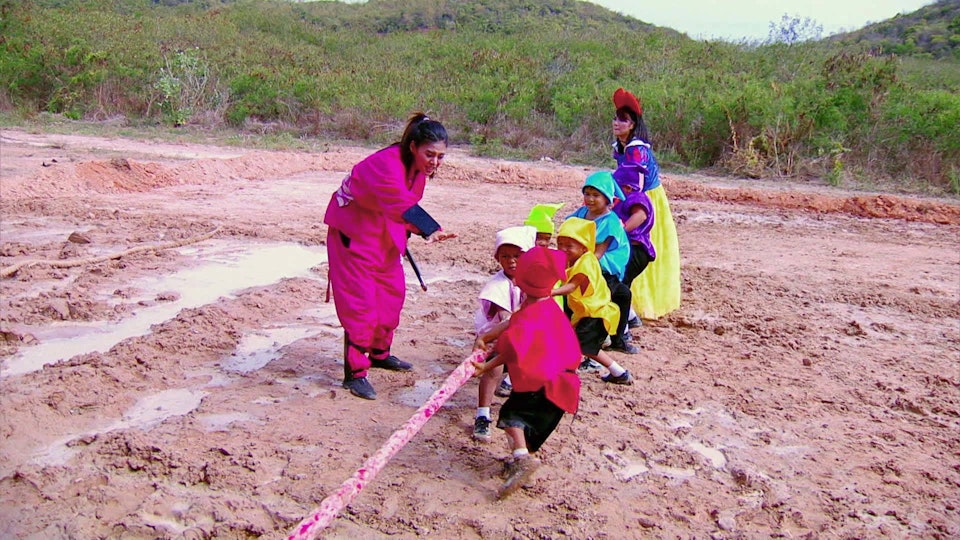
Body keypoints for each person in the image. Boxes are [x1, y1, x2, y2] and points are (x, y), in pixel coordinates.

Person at [323, 112, 449, 400]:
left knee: (392, 298)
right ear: (413, 146)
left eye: (440, 157)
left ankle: (379, 353)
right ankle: (355, 374)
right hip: (353, 237)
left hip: (383, 235)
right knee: (361, 306)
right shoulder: (386, 164)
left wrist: (416, 231)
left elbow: (400, 209)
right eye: (429, 154)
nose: (434, 162)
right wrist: (431, 229)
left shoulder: (417, 170)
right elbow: (400, 202)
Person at [471, 246, 582, 499]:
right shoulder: (548, 306)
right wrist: (487, 335)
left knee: (512, 419)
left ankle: (522, 461)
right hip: (565, 382)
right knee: (531, 431)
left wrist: (485, 367)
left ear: (521, 280)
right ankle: (524, 472)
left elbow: (511, 349)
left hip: (543, 385)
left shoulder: (529, 317)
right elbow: (514, 321)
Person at [611, 87, 681, 320]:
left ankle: (633, 305)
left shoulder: (636, 149)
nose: (617, 123)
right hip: (632, 196)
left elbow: (635, 183)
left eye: (623, 120)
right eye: (616, 118)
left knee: (636, 243)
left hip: (643, 201)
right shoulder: (622, 147)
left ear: (632, 125)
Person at [472, 225, 537, 441]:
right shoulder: (499, 285)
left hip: (524, 335)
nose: (511, 261)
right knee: (493, 372)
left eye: (517, 255)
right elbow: (506, 320)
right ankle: (482, 414)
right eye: (505, 256)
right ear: (497, 258)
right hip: (498, 335)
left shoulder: (533, 280)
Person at [552, 217, 633, 385]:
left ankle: (619, 373)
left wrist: (549, 292)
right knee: (579, 344)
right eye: (560, 244)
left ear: (583, 247)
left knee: (585, 346)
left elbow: (572, 286)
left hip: (595, 313)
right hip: (586, 312)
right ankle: (617, 373)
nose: (563, 249)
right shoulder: (573, 259)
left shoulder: (586, 263)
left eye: (569, 246)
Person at [566, 171, 638, 354]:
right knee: (604, 301)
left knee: (622, 295)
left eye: (596, 195)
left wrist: (577, 265)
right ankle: (602, 342)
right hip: (585, 266)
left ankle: (618, 338)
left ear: (608, 199)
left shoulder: (610, 222)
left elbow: (598, 253)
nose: (590, 199)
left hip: (600, 269)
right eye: (587, 194)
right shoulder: (582, 213)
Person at [612, 163, 656, 301]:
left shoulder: (636, 197)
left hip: (636, 250)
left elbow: (640, 215)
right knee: (620, 284)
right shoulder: (622, 198)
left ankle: (626, 318)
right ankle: (629, 316)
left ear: (628, 187)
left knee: (618, 285)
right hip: (629, 249)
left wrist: (621, 231)